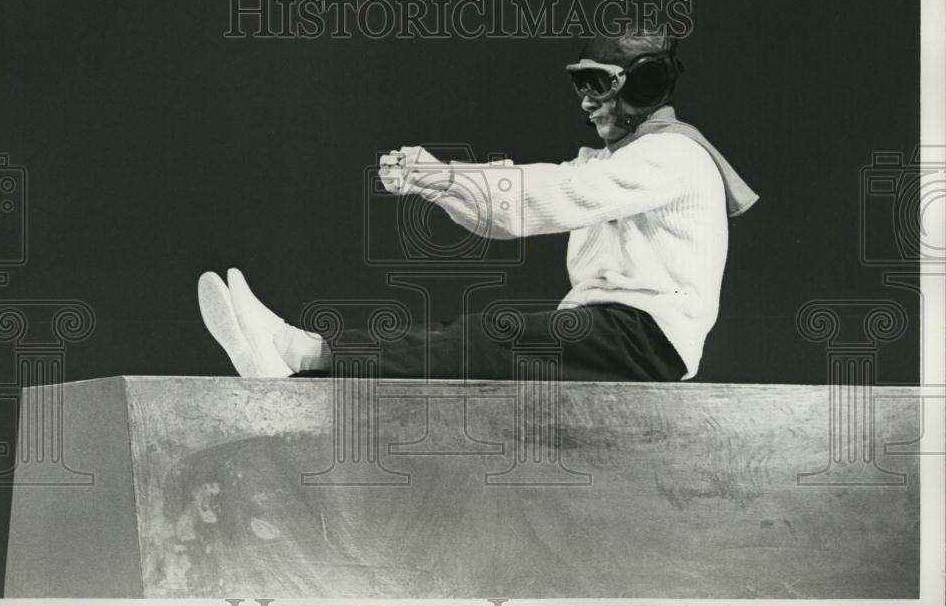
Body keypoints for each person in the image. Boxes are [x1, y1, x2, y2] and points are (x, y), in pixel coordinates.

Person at [198, 31, 758, 382]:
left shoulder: (673, 156)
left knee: (484, 337)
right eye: (580, 85)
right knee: (467, 335)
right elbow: (525, 195)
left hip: (644, 341)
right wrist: (440, 178)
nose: (586, 101)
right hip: (610, 332)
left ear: (644, 85)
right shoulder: (618, 162)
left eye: (599, 85)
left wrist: (443, 176)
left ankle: (301, 353)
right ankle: (301, 354)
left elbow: (547, 196)